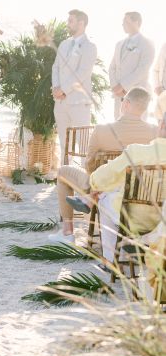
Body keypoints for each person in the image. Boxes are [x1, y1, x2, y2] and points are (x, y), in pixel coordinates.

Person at [47, 87, 157, 244]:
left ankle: (67, 232)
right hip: (139, 189)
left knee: (63, 172)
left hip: (101, 185)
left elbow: (89, 165)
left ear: (125, 104)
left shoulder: (102, 130)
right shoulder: (153, 131)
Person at [85, 115, 166, 263]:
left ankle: (111, 261)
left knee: (103, 199)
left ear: (161, 126)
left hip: (133, 218)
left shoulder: (137, 151)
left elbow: (102, 177)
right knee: (117, 189)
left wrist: (95, 182)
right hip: (160, 221)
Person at [51, 9, 97, 156]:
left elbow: (83, 73)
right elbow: (55, 67)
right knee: (63, 143)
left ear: (81, 23)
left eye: (71, 21)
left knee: (83, 144)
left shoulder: (90, 47)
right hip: (60, 102)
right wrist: (56, 88)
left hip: (79, 102)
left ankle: (85, 176)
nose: (67, 24)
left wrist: (63, 89)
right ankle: (65, 176)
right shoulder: (64, 44)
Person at [109, 12, 155, 120]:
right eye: (123, 22)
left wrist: (123, 86)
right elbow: (112, 67)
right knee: (118, 129)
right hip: (119, 96)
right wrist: (115, 86)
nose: (123, 24)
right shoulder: (119, 44)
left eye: (126, 21)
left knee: (137, 131)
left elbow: (142, 69)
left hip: (137, 95)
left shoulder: (147, 43)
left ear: (136, 22)